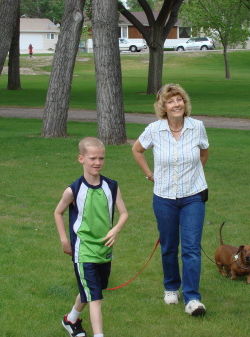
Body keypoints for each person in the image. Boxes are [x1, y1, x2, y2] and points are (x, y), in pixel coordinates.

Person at [131, 83, 209, 316]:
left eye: (179, 100)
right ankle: (171, 287)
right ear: (163, 107)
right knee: (168, 247)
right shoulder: (155, 129)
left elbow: (204, 151)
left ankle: (193, 298)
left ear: (185, 103)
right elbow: (136, 150)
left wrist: (196, 172)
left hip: (193, 196)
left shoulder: (198, 127)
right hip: (164, 197)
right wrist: (149, 174)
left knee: (191, 248)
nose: (176, 104)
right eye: (171, 101)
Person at [55, 137, 128, 337]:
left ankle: (70, 320)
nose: (97, 162)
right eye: (93, 158)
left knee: (90, 291)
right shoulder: (74, 190)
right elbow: (57, 212)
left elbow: (124, 213)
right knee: (95, 297)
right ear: (81, 159)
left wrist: (116, 229)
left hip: (104, 250)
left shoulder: (111, 186)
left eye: (101, 158)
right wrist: (64, 239)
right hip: (84, 250)